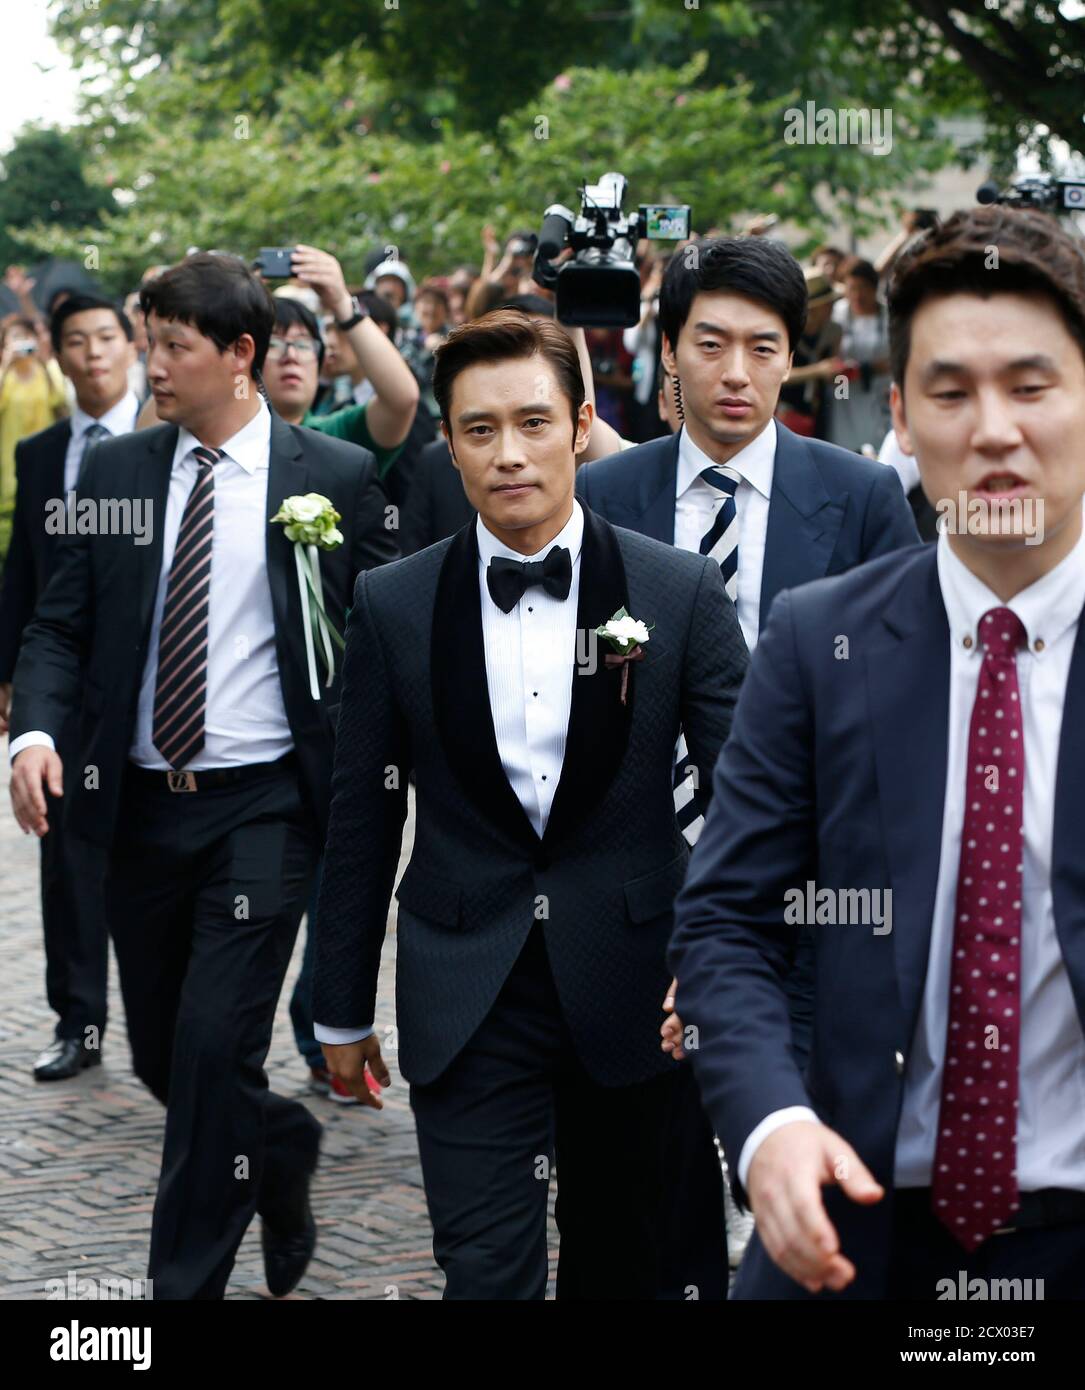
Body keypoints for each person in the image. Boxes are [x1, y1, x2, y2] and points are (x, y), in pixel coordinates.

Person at [669, 204, 1085, 1299]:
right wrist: (767, 1126)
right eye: (949, 392)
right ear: (897, 413)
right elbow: (725, 920)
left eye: (1030, 386)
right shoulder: (818, 639)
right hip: (855, 1224)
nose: (991, 428)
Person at [312, 307, 748, 1299]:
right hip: (465, 988)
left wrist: (721, 961)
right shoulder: (391, 603)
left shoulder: (676, 592)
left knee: (625, 1266)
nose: (508, 454)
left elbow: (745, 801)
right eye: (478, 430)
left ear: (583, 424)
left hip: (640, 994)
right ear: (449, 444)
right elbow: (362, 815)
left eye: (533, 423)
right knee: (484, 1270)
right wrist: (338, 1003)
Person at [7, 251, 398, 1299]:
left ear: (239, 356)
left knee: (215, 1039)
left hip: (265, 807)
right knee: (160, 1060)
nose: (153, 363)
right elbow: (58, 625)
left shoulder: (334, 479)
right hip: (140, 809)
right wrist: (32, 735)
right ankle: (277, 1150)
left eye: (173, 345)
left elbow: (381, 638)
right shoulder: (120, 471)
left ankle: (179, 1287)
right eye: (148, 340)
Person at [0, 293, 139, 1081]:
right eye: (76, 343)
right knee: (66, 854)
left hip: (153, 679)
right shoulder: (43, 451)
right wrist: (11, 673)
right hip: (64, 680)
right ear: (59, 355)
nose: (92, 355)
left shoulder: (165, 436)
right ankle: (78, 1022)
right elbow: (25, 565)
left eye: (105, 339)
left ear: (131, 347)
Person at [0, 317, 69, 508]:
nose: (22, 343)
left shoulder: (49, 370)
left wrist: (44, 363)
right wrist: (6, 366)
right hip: (9, 458)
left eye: (26, 337)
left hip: (46, 456)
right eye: (15, 338)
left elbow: (61, 404)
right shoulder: (4, 375)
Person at [827, 256, 893, 454]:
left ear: (874, 288)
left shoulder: (889, 316)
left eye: (862, 288)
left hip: (879, 393)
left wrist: (874, 368)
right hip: (845, 394)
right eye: (851, 288)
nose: (857, 295)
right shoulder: (837, 313)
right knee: (844, 451)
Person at [775, 270, 843, 438]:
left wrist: (841, 378)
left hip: (819, 411)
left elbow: (836, 380)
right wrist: (817, 370)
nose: (831, 308)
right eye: (827, 304)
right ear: (812, 308)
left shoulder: (834, 331)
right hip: (785, 412)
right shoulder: (786, 332)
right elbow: (776, 375)